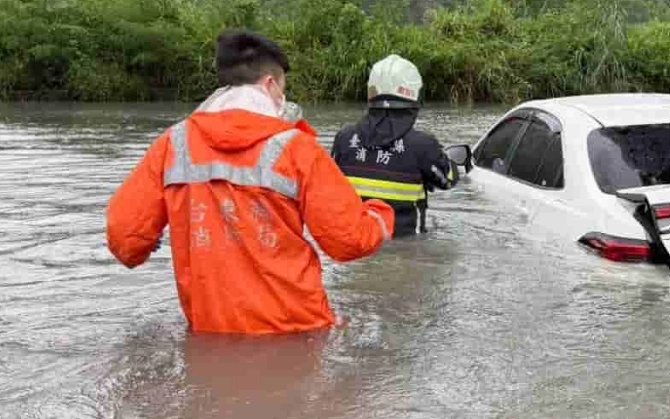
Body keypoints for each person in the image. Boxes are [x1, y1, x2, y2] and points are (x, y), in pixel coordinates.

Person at [106, 30, 395, 334]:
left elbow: (125, 239)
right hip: (297, 333)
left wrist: (147, 243)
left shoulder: (173, 143)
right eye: (283, 86)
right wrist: (379, 216)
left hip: (209, 332)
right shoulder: (297, 147)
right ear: (270, 84)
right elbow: (348, 241)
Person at [331, 55, 458, 236]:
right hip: (407, 253)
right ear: (413, 94)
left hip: (356, 249)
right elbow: (448, 180)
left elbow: (331, 188)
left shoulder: (344, 138)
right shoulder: (422, 145)